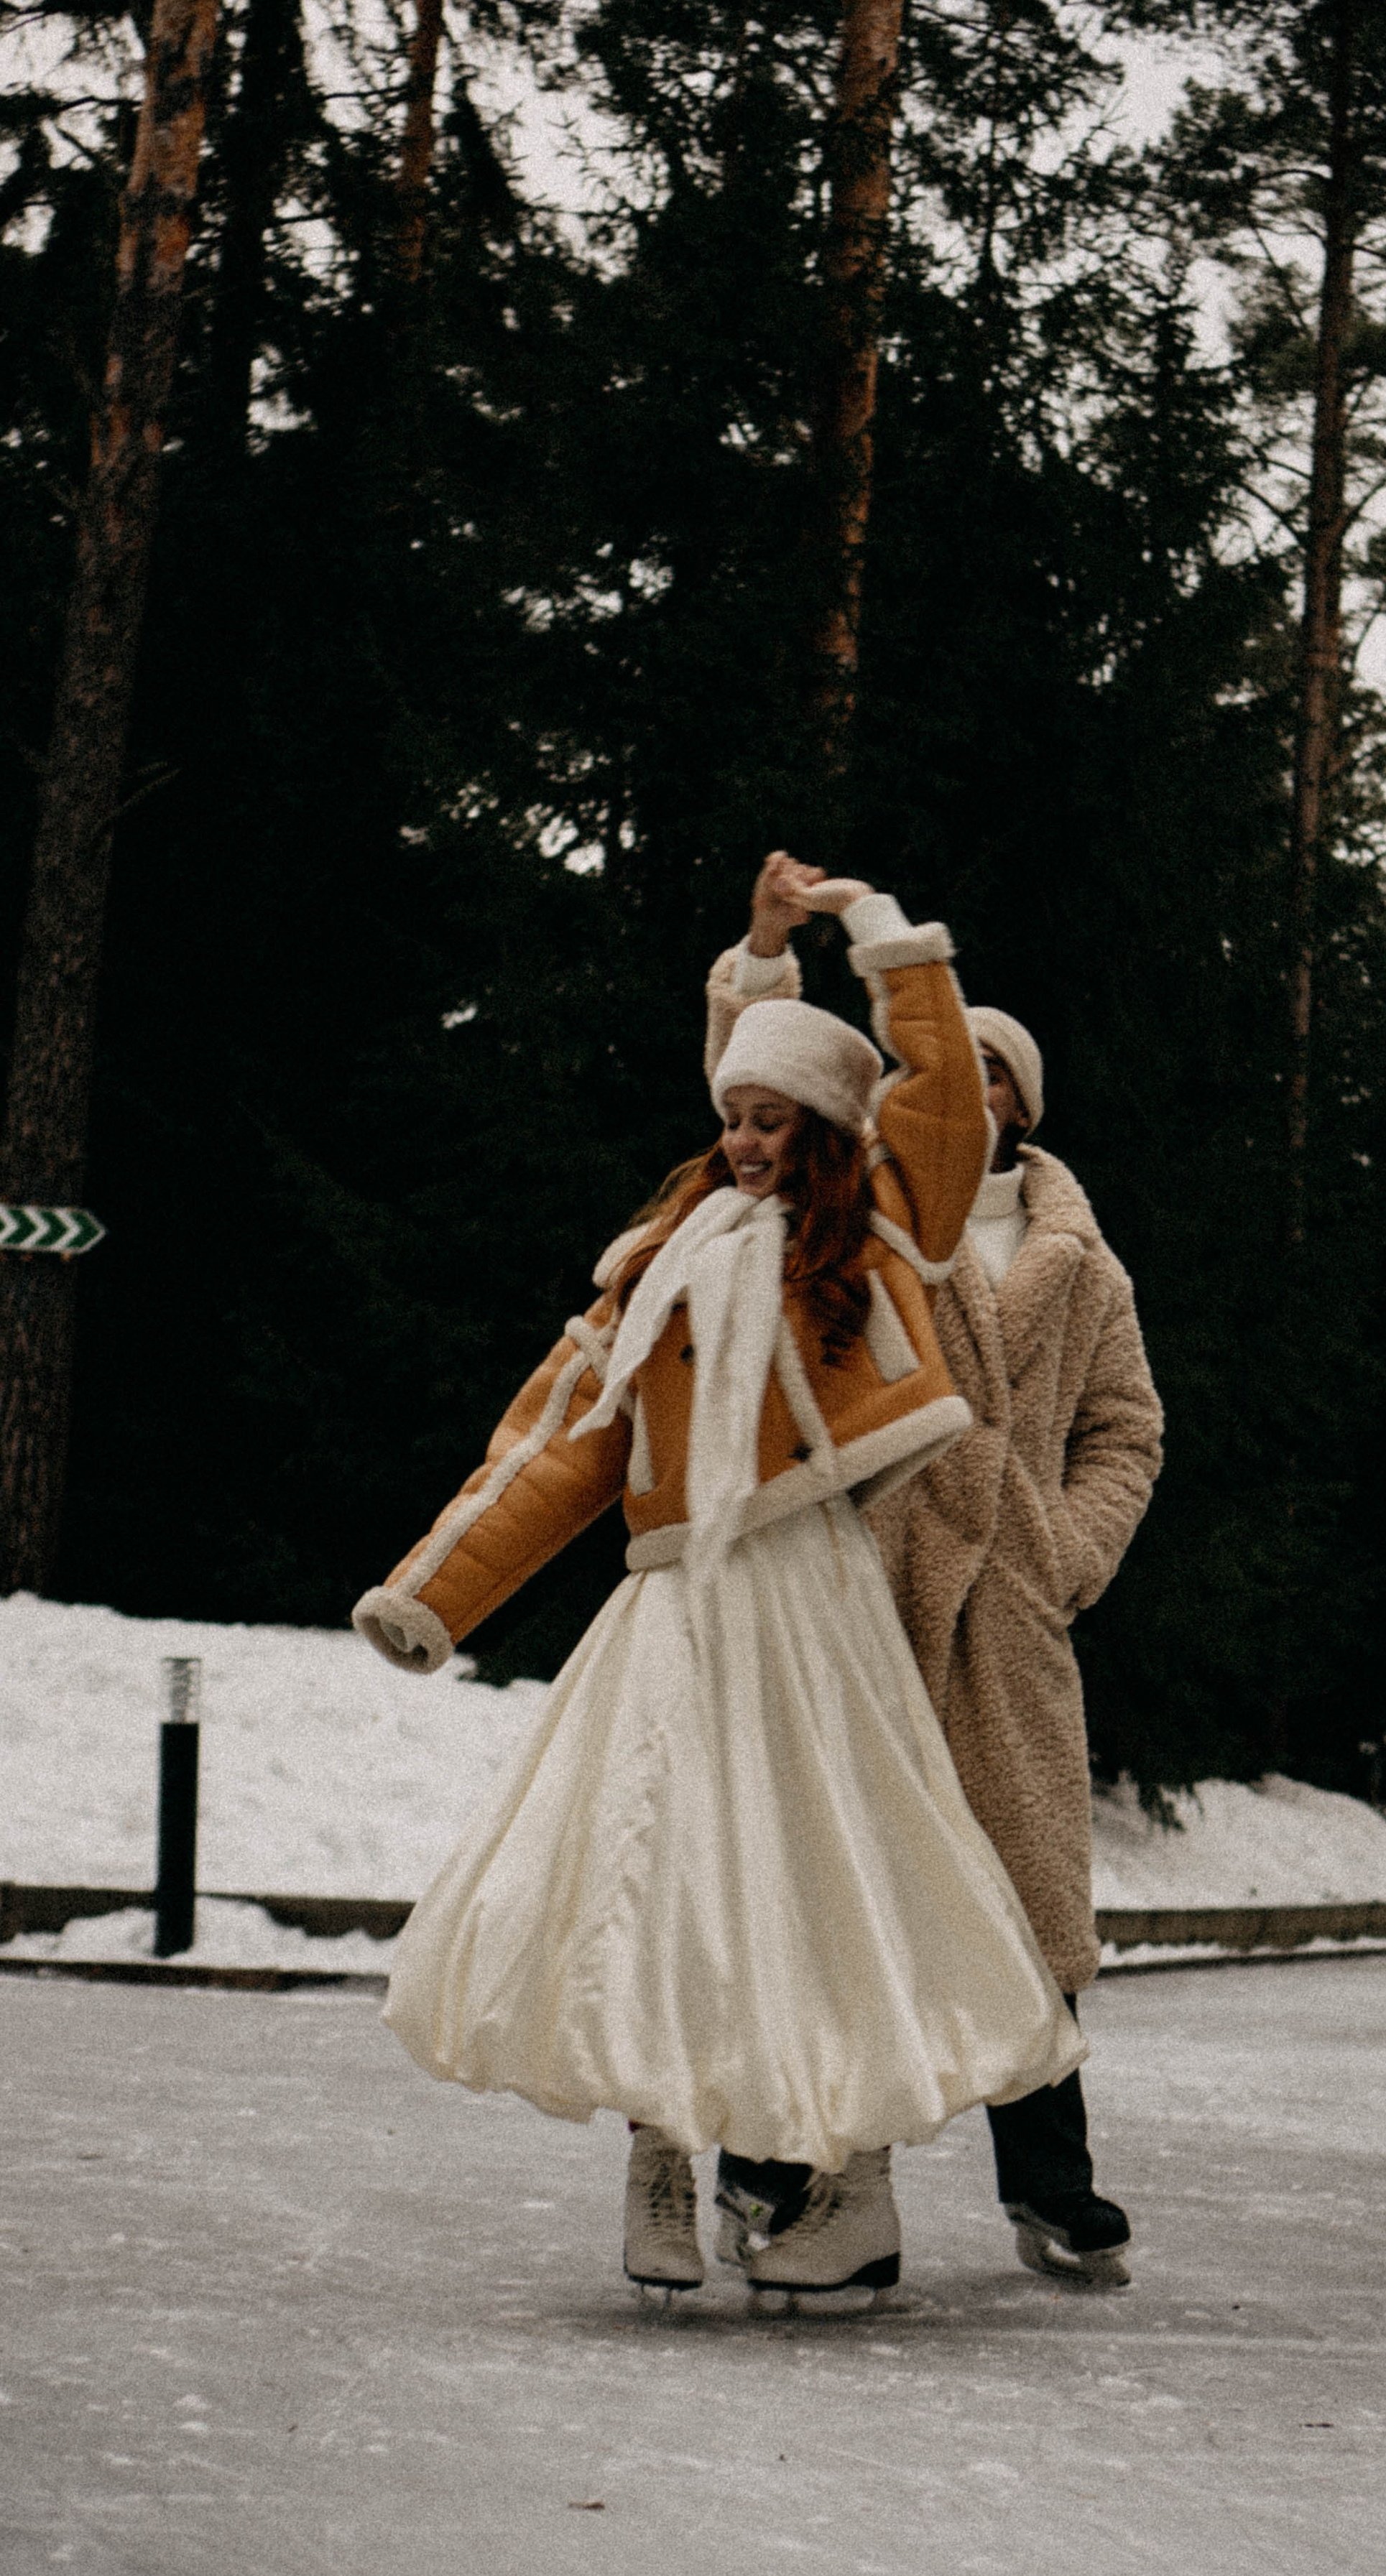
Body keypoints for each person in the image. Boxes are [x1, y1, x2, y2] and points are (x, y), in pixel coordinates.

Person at [352, 861, 1083, 2308]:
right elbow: (563, 1440)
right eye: (732, 1116)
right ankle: (661, 2160)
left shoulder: (875, 1234)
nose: (744, 1140)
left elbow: (934, 1087)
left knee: (826, 1884)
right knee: (651, 1873)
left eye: (772, 1120)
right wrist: (436, 1591)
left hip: (811, 1607)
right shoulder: (659, 1265)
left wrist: (870, 933)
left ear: (823, 1130)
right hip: (676, 1610)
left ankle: (851, 2195)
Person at [707, 868, 1162, 2287]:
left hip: (1004, 1612)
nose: (967, 1085)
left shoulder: (1082, 1267)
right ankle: (781, 2168)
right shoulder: (880, 1203)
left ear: (1021, 1100)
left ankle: (1050, 2183)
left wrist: (1064, 1557)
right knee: (839, 1875)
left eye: (987, 1073)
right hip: (866, 1588)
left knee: (1020, 1898)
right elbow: (751, 1092)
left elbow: (1124, 1430)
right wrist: (763, 962)